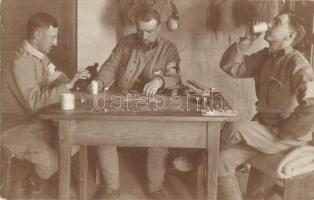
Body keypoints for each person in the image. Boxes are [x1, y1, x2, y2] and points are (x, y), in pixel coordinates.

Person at [218, 10, 314, 200]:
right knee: (222, 161)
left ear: (291, 36)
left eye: (277, 22)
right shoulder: (266, 56)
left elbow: (312, 104)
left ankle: (198, 156)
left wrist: (283, 131)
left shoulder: (298, 63)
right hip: (264, 132)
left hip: (286, 136)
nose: (270, 24)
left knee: (235, 126)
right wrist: (246, 40)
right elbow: (232, 68)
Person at [91, 7, 181, 200]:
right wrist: (99, 82)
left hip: (152, 103)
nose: (143, 35)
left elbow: (175, 77)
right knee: (103, 135)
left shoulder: (169, 49)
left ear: (159, 28)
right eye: (140, 30)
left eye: (149, 31)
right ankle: (111, 189)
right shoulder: (125, 43)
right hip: (122, 99)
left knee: (159, 138)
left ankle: (155, 188)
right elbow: (109, 67)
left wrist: (161, 81)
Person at [0, 12, 91, 199]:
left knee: (72, 142)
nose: (56, 42)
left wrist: (78, 82)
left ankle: (33, 179)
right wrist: (67, 86)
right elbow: (34, 102)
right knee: (51, 161)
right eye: (53, 37)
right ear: (37, 35)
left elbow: (59, 78)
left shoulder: (41, 57)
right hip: (12, 126)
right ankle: (31, 186)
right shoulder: (20, 62)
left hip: (34, 122)